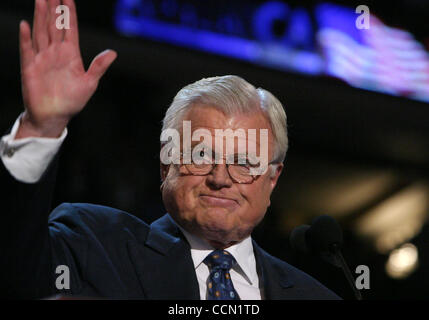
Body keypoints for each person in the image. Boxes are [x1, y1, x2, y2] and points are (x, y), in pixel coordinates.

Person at [0, 0, 340, 299]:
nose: (220, 178)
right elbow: (17, 276)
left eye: (244, 161)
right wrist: (41, 130)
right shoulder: (94, 245)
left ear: (272, 177)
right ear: (167, 163)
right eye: (202, 155)